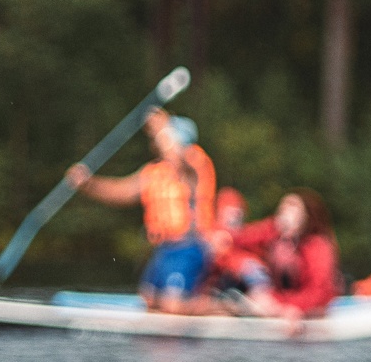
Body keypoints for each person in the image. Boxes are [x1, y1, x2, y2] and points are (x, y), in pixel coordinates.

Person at [67, 110, 216, 311]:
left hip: (188, 247)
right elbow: (121, 191)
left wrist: (163, 129)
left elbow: (178, 159)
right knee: (149, 304)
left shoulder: (195, 161)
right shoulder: (153, 172)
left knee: (171, 307)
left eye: (168, 135)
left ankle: (220, 307)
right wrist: (87, 184)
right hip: (162, 249)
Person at [227, 190, 341, 320]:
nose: (285, 216)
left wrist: (280, 303)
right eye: (283, 210)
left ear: (306, 216)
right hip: (282, 304)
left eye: (293, 210)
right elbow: (243, 238)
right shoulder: (275, 233)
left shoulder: (317, 246)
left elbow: (319, 292)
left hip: (311, 310)